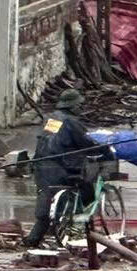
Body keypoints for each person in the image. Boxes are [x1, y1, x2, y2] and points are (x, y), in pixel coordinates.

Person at [23, 88, 96, 246]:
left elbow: (50, 140)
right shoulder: (72, 123)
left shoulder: (53, 119)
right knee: (88, 190)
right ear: (73, 106)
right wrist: (105, 149)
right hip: (61, 167)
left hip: (41, 166)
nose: (81, 107)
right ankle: (78, 223)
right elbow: (87, 143)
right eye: (79, 105)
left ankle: (34, 239)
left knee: (46, 203)